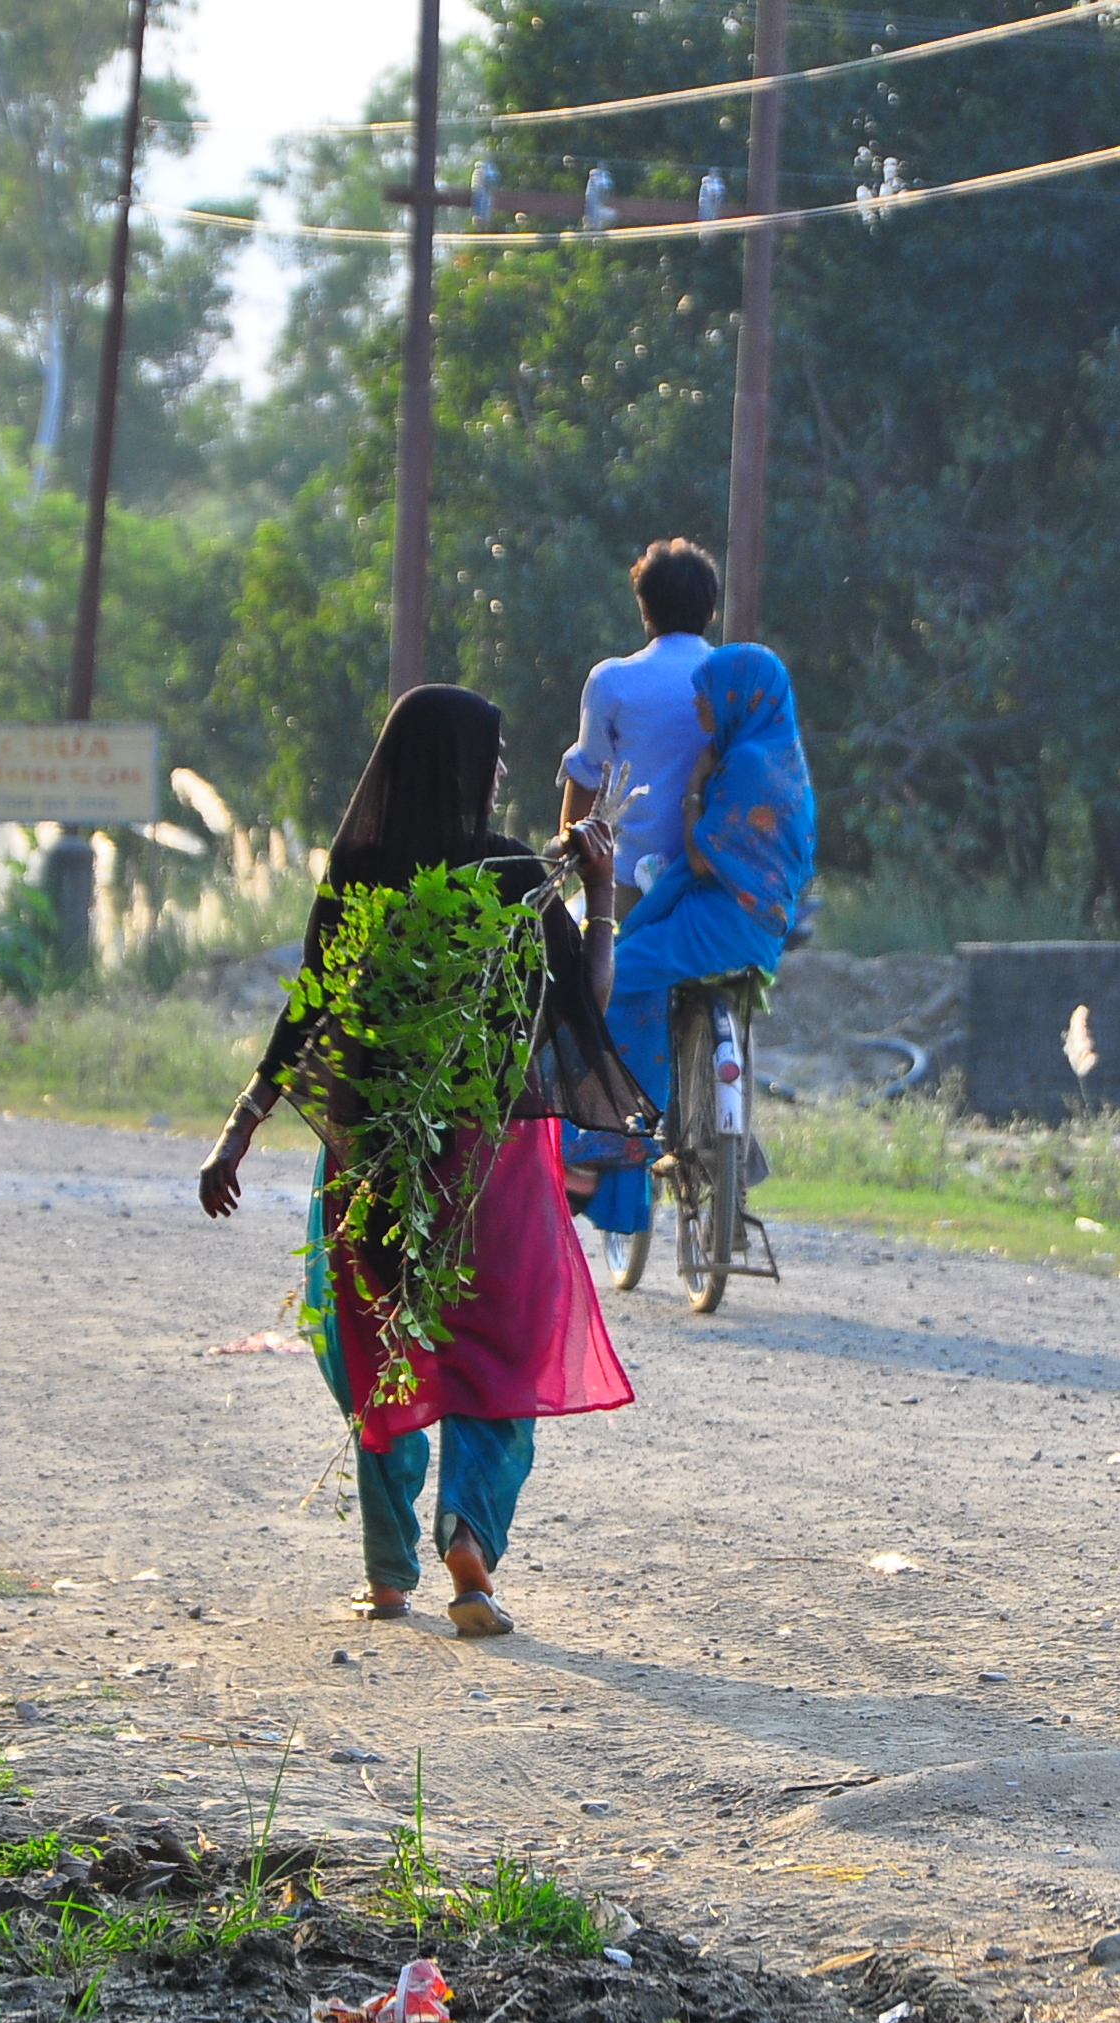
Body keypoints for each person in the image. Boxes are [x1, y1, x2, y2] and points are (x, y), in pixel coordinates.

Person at [199, 685, 648, 1638]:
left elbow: (306, 1015)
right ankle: (471, 1547)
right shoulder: (508, 876)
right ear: (453, 763)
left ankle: (388, 1576)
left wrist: (238, 1131)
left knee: (385, 1353)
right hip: (497, 1165)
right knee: (498, 1356)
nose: (497, 773)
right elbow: (584, 1009)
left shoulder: (361, 873)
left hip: (379, 1163)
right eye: (487, 756)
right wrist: (601, 896)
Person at [576, 642, 817, 1237]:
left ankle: (606, 1143)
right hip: (760, 931)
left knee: (614, 975)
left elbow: (704, 856)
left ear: (737, 697)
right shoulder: (782, 758)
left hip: (722, 926)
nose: (697, 704)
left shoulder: (744, 766)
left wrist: (694, 784)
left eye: (707, 694)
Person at [560, 539, 722, 922]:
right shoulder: (731, 678)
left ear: (645, 610)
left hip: (630, 879)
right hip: (714, 873)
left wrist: (566, 860)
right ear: (711, 611)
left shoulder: (613, 681)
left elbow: (586, 777)